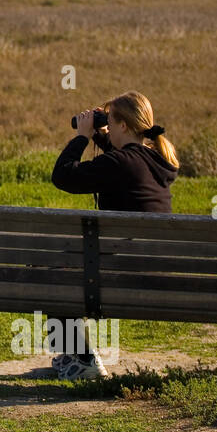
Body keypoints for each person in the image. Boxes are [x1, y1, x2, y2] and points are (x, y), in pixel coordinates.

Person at [49, 90, 179, 379]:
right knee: (65, 265)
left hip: (119, 275)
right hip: (157, 273)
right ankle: (75, 356)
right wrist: (102, 137)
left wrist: (82, 136)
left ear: (122, 125)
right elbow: (125, 165)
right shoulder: (156, 161)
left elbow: (62, 176)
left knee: (56, 271)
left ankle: (82, 359)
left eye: (110, 119)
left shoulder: (121, 163)